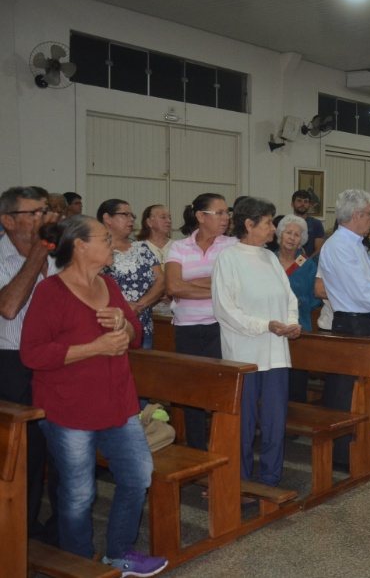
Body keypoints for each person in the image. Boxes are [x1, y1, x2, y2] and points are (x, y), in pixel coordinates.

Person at [21, 216, 168, 576]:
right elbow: (33, 354)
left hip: (119, 404)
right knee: (78, 494)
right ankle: (79, 564)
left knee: (138, 475)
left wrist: (123, 322)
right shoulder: (50, 292)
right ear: (81, 245)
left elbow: (133, 336)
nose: (114, 242)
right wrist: (94, 347)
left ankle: (119, 552)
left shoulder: (107, 283)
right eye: (105, 238)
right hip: (69, 408)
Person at [212, 198, 300, 488]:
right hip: (244, 355)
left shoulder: (270, 257)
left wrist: (290, 323)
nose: (273, 228)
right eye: (268, 223)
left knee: (275, 425)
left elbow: (289, 297)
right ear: (249, 225)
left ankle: (271, 481)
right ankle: (240, 483)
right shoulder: (228, 258)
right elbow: (226, 311)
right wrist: (266, 326)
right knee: (244, 425)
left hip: (276, 354)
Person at [318, 190, 370, 467]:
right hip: (351, 323)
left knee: (368, 388)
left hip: (364, 320)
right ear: (356, 216)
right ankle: (343, 454)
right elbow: (361, 291)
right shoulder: (339, 245)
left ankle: (367, 444)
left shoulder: (355, 243)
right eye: (369, 215)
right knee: (347, 391)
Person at [0, 186, 59, 544]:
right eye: (33, 213)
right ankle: (17, 533)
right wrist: (38, 253)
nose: (43, 219)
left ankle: (48, 531)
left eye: (45, 211)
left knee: (59, 448)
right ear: (7, 220)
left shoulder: (59, 253)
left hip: (57, 359)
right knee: (23, 452)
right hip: (11, 362)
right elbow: (8, 307)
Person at [165, 193, 236, 449]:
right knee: (193, 394)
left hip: (220, 328)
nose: (225, 217)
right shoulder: (179, 247)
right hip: (187, 330)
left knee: (221, 393)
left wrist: (189, 284)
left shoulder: (232, 245)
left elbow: (233, 284)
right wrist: (215, 285)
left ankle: (221, 450)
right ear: (200, 216)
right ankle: (197, 450)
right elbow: (172, 286)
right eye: (219, 212)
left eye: (226, 212)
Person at [98, 200, 165, 350]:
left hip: (143, 324)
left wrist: (139, 305)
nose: (131, 219)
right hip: (109, 328)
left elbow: (161, 280)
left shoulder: (141, 247)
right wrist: (124, 308)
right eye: (125, 214)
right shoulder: (96, 249)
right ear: (107, 218)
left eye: (132, 215)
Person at [274, 214, 322, 404]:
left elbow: (315, 298)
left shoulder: (307, 264)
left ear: (302, 240)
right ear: (280, 235)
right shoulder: (268, 259)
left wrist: (301, 302)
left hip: (298, 326)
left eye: (297, 235)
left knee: (296, 380)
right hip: (272, 328)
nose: (292, 237)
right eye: (288, 233)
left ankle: (295, 422)